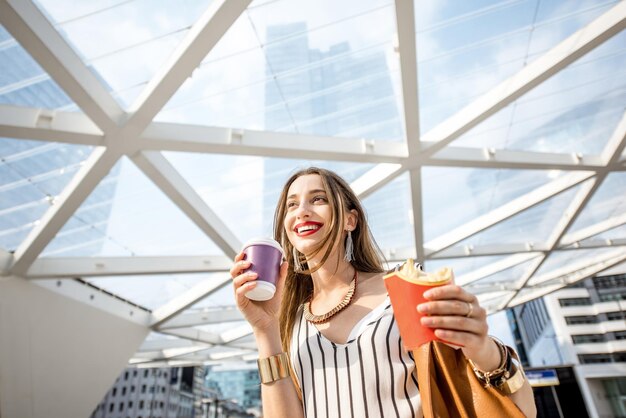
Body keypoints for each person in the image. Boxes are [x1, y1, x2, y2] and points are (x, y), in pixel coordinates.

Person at [230, 167, 537, 418]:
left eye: (318, 199)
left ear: (350, 219)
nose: (302, 211)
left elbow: (519, 407)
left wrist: (483, 348)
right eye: (292, 204)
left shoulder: (406, 292)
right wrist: (265, 330)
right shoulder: (290, 321)